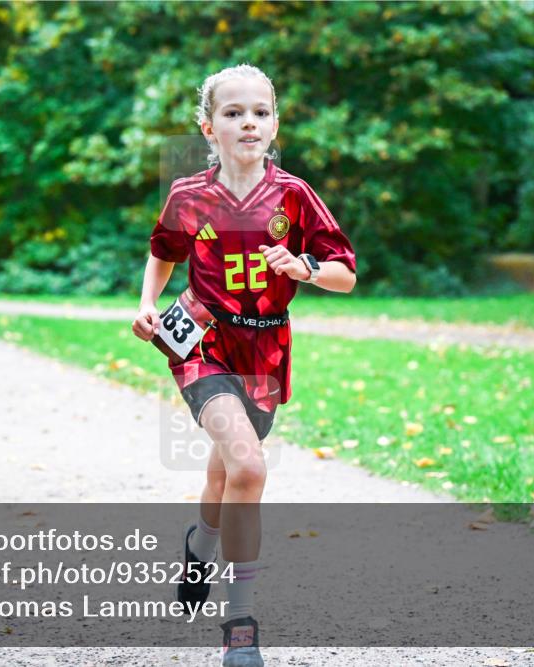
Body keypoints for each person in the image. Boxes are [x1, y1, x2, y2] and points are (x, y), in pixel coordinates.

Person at [131, 64, 357, 667]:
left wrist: (303, 268)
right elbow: (162, 252)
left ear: (275, 123)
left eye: (259, 112)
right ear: (209, 128)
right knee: (250, 468)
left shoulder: (295, 196)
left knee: (225, 476)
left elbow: (346, 274)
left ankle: (199, 546)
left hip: (265, 353)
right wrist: (148, 305)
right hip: (202, 344)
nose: (248, 122)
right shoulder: (187, 196)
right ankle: (241, 624)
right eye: (233, 113)